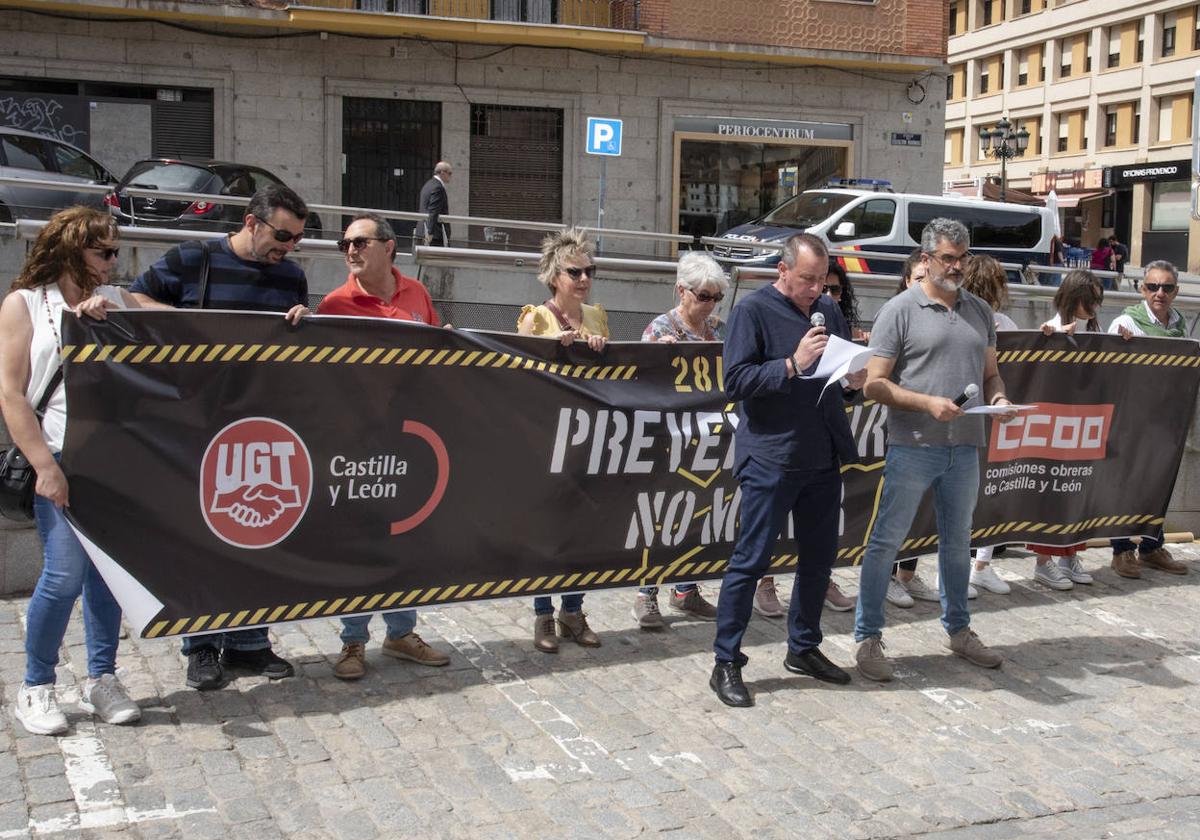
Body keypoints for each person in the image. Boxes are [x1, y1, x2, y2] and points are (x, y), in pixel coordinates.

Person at [130, 184, 311, 691]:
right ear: (252, 223)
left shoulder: (291, 276)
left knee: (262, 531)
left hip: (262, 421)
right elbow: (133, 296)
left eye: (296, 239)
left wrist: (304, 322)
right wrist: (185, 323)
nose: (288, 247)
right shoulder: (194, 258)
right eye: (281, 235)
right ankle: (202, 647)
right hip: (199, 422)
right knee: (202, 538)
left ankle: (250, 645)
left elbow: (292, 338)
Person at [853, 218, 1017, 683]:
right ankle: (868, 638)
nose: (958, 266)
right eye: (948, 257)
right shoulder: (899, 310)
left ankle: (959, 630)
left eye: (963, 257)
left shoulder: (980, 311)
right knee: (886, 542)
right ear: (924, 260)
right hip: (913, 445)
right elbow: (875, 386)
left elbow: (991, 375)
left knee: (957, 543)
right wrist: (927, 403)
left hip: (965, 446)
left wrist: (1000, 399)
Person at [0, 207, 143, 734]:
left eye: (113, 251)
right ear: (69, 249)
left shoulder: (117, 300)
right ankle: (36, 686)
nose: (112, 261)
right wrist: (44, 466)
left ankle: (102, 677)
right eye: (102, 251)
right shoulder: (25, 305)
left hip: (114, 461)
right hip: (58, 456)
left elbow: (176, 316)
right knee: (64, 575)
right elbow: (11, 394)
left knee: (107, 577)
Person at [709, 233, 865, 708]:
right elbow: (735, 381)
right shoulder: (752, 311)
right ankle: (726, 662)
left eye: (823, 281)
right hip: (772, 456)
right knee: (751, 560)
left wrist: (853, 383)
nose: (817, 289)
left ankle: (804, 647)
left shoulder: (828, 310)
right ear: (782, 270)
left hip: (822, 453)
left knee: (819, 560)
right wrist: (791, 365)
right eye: (807, 280)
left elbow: (835, 380)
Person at [316, 213, 452, 678]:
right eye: (344, 244)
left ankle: (400, 633)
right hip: (357, 445)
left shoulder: (417, 293)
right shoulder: (334, 304)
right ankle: (353, 642)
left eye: (360, 242)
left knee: (405, 539)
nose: (350, 250)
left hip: (410, 439)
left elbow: (434, 355)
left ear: (389, 247)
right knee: (361, 543)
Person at [517, 227, 608, 652]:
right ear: (556, 276)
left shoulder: (597, 316)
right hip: (545, 438)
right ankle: (543, 616)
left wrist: (600, 349)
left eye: (589, 270)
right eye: (575, 271)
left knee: (583, 528)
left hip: (586, 438)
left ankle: (573, 610)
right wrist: (549, 346)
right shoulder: (536, 317)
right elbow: (517, 372)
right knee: (546, 529)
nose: (584, 278)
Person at [634, 251, 724, 629]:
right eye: (703, 295)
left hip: (702, 440)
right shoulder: (659, 330)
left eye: (715, 297)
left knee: (697, 511)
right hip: (667, 438)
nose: (709, 304)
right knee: (660, 514)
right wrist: (658, 359)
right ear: (681, 292)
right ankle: (646, 592)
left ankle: (686, 588)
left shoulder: (714, 333)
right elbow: (637, 382)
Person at [1107, 259, 1190, 578]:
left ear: (1176, 291)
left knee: (1159, 481)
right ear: (1142, 289)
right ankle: (1121, 550)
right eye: (1153, 286)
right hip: (1132, 417)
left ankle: (1153, 547)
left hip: (1167, 416)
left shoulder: (1180, 324)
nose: (1160, 293)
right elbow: (1110, 372)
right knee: (1125, 483)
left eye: (1167, 287)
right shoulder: (1126, 324)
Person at [1027, 270, 1106, 590]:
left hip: (1085, 420)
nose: (1095, 307)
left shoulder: (1095, 329)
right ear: (1075, 298)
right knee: (1052, 492)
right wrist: (1053, 335)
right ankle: (1043, 562)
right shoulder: (1053, 326)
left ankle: (1069, 554)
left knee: (1078, 493)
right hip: (1058, 420)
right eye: (1091, 301)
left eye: (1098, 301)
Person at [960, 255, 1018, 596]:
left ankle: (981, 564)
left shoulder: (1005, 323)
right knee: (966, 497)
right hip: (968, 418)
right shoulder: (965, 318)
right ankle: (957, 568)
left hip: (997, 413)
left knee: (992, 491)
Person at [418, 161, 452, 247]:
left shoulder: (428, 184)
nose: (450, 176)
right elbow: (433, 211)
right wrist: (430, 233)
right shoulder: (438, 187)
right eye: (450, 173)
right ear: (442, 173)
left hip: (423, 230)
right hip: (434, 235)